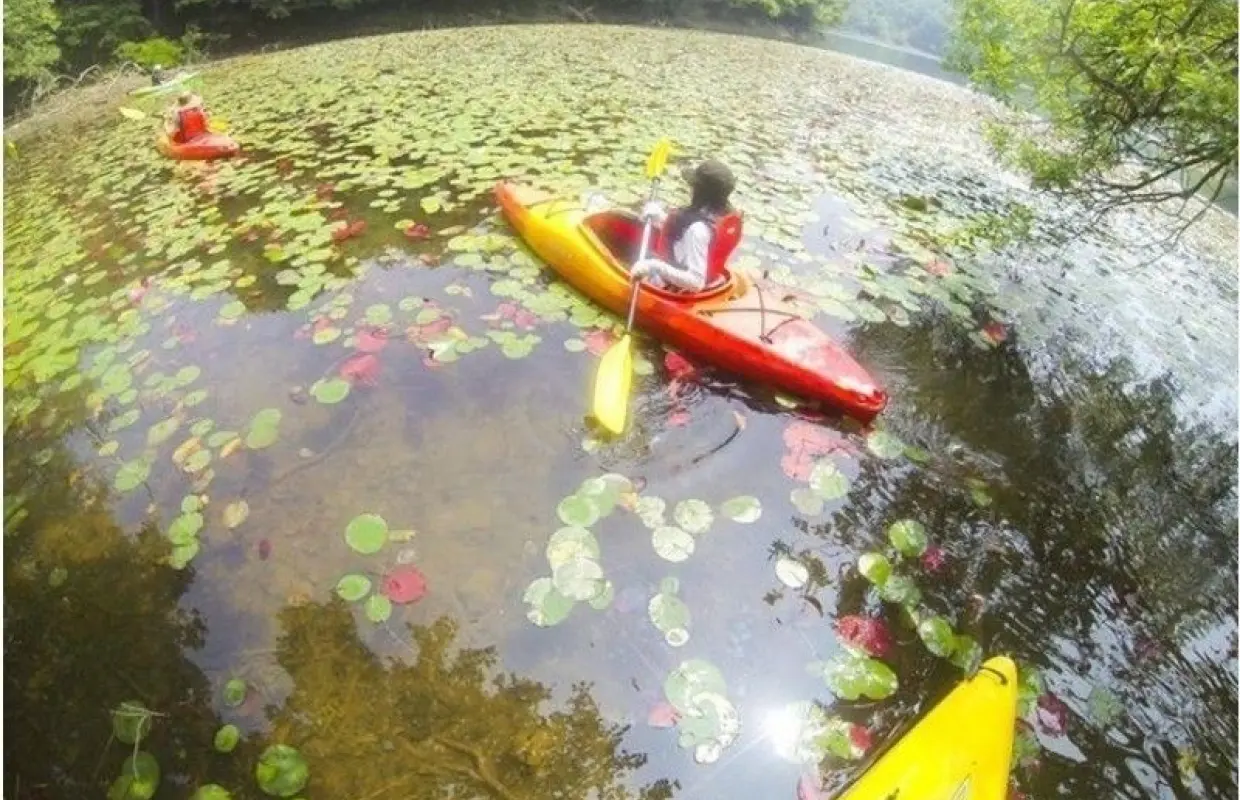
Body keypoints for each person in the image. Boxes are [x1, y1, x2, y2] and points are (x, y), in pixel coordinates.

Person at [631, 159, 737, 293]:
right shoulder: (718, 216)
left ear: (701, 192)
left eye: (694, 186)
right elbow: (691, 236)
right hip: (711, 276)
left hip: (680, 288)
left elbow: (696, 282)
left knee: (635, 254)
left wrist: (653, 266)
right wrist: (660, 217)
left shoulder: (697, 230)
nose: (690, 189)